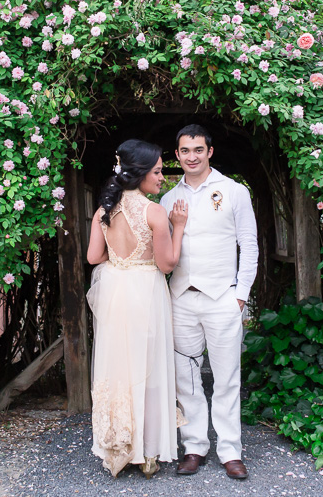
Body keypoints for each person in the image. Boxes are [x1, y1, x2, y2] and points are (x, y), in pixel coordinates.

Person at [160, 124, 258, 480]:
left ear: (210, 152)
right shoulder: (168, 200)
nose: (192, 157)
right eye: (185, 151)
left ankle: (230, 450)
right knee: (185, 377)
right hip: (182, 299)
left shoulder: (233, 192)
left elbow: (249, 244)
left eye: (198, 150)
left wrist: (240, 295)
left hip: (222, 298)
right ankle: (194, 446)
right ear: (177, 155)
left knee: (228, 377)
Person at [86, 139, 189, 478]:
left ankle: (117, 446)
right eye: (158, 171)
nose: (162, 178)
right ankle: (147, 453)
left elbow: (92, 258)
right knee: (149, 367)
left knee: (118, 368)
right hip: (145, 292)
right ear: (141, 173)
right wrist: (180, 229)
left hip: (116, 292)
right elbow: (167, 264)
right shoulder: (154, 212)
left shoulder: (104, 209)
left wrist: (118, 259)